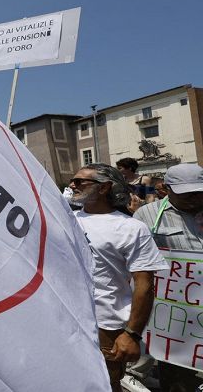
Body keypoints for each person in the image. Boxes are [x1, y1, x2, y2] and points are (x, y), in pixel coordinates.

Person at [69, 163, 169, 391]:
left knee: (105, 384)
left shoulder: (132, 228)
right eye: (72, 180)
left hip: (106, 325)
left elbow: (144, 284)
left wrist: (131, 334)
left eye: (80, 181)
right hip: (66, 318)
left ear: (104, 187)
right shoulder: (65, 219)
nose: (72, 185)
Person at [134, 163, 203, 391]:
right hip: (176, 313)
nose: (194, 198)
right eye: (187, 193)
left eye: (199, 192)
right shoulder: (147, 215)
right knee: (177, 373)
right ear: (166, 188)